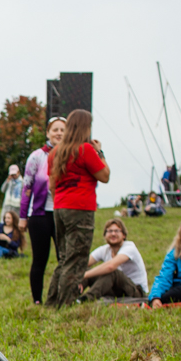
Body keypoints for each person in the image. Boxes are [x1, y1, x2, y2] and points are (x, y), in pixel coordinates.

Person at [45, 109, 109, 308]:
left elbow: (51, 185)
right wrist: (100, 152)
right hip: (81, 208)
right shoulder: (85, 150)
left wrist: (60, 203)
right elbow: (105, 176)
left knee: (64, 258)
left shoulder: (55, 152)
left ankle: (52, 303)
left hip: (60, 208)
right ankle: (66, 305)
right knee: (77, 260)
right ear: (84, 127)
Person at [20, 117, 66, 304]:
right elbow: (27, 187)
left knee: (64, 257)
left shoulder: (72, 155)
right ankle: (37, 299)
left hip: (63, 212)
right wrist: (23, 217)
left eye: (63, 130)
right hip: (39, 214)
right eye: (55, 129)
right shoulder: (37, 156)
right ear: (48, 133)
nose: (59, 133)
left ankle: (63, 297)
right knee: (40, 259)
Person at [80, 218, 148, 302]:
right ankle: (70, 296)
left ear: (124, 235)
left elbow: (110, 266)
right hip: (115, 290)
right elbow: (83, 264)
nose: (113, 234)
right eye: (109, 231)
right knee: (85, 270)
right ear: (105, 235)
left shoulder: (130, 248)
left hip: (135, 292)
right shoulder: (105, 250)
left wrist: (83, 275)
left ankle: (85, 299)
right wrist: (79, 278)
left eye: (116, 231)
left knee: (112, 272)